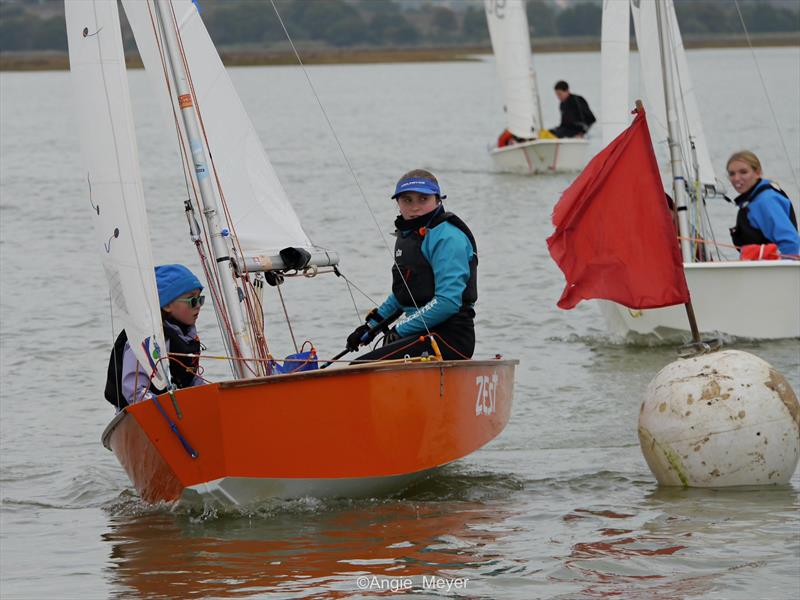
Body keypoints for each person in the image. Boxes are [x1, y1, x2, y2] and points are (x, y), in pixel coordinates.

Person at [345, 170, 478, 362]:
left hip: (451, 338)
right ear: (397, 203)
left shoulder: (448, 237)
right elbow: (404, 294)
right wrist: (370, 327)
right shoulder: (408, 236)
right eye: (407, 200)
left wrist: (400, 330)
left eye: (423, 199)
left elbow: (447, 302)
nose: (415, 207)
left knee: (361, 366)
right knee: (362, 363)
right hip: (421, 334)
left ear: (438, 200)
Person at [104, 264, 205, 409]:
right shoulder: (144, 338)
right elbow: (134, 391)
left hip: (178, 411)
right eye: (192, 301)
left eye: (200, 299)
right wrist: (165, 409)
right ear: (166, 305)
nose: (198, 306)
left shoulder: (186, 334)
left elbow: (193, 380)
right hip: (142, 414)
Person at [726, 150, 799, 257]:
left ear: (757, 172)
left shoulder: (765, 200)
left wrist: (786, 271)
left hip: (774, 271)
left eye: (743, 172)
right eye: (732, 174)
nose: (736, 178)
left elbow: (790, 243)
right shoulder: (753, 199)